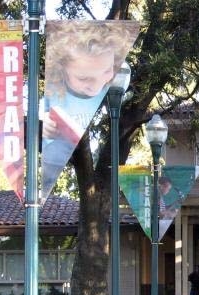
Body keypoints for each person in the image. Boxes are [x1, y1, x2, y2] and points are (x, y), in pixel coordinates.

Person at [40, 21, 135, 197]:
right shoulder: (52, 97)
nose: (97, 85)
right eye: (84, 78)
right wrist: (42, 126)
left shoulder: (111, 84)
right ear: (62, 69)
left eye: (107, 71)